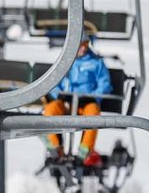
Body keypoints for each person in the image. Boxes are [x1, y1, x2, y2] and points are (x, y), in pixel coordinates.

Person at [41, 33, 112, 166]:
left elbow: (105, 84)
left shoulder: (96, 63)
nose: (83, 49)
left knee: (93, 112)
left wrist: (93, 96)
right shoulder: (65, 62)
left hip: (85, 104)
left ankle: (84, 151)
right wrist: (60, 95)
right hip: (67, 103)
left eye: (85, 45)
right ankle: (55, 148)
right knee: (51, 110)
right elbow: (54, 82)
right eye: (80, 45)